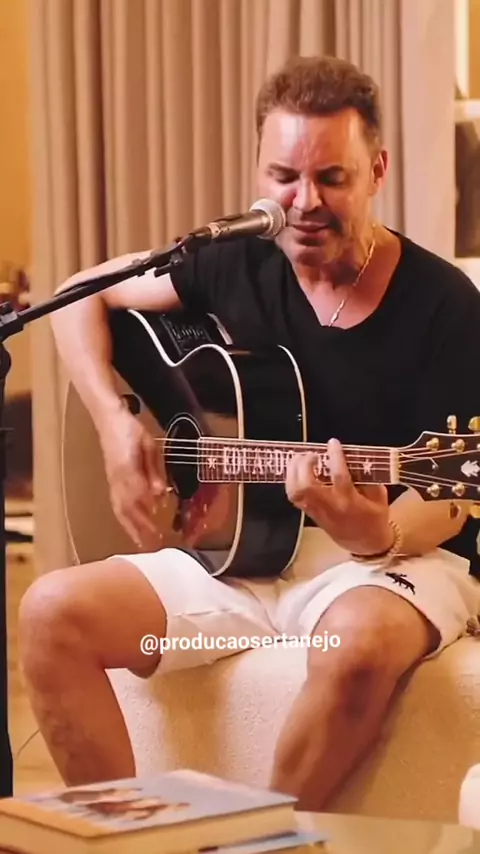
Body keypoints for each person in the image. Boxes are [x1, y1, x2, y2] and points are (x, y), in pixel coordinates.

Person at [18, 55, 480, 810]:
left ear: (377, 171)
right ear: (259, 173)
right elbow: (79, 295)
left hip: (389, 559)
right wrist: (114, 424)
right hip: (243, 553)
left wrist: (374, 531)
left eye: (332, 178)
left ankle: (255, 844)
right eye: (283, 177)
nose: (304, 202)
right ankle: (135, 839)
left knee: (358, 644)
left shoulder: (445, 305)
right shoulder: (232, 260)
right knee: (51, 615)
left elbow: (454, 497)